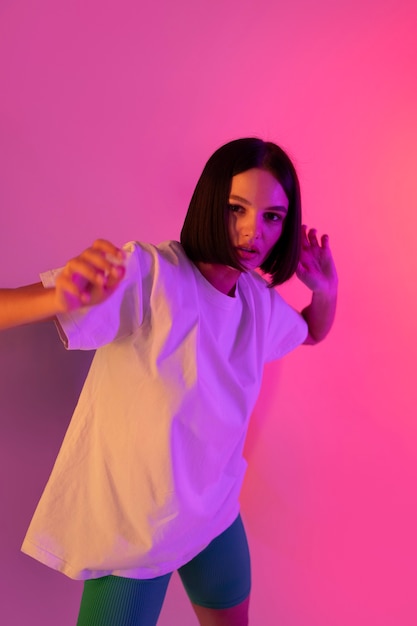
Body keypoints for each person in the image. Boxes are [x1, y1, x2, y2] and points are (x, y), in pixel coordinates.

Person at [0, 138, 338, 626]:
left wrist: (326, 290)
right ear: (209, 202)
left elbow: (312, 331)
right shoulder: (150, 274)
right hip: (137, 534)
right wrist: (57, 298)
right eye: (235, 208)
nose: (252, 231)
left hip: (215, 516)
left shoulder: (256, 302)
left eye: (272, 217)